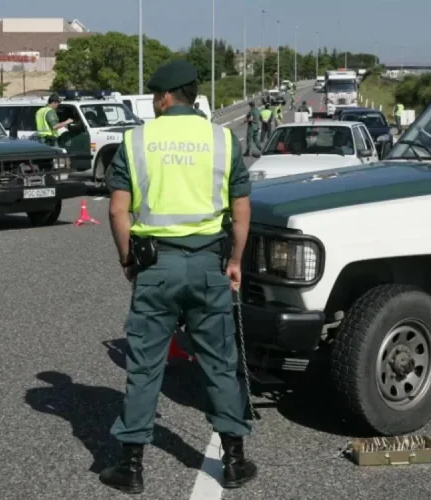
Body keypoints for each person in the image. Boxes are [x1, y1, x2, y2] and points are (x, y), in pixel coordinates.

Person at [101, 59, 257, 495]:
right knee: (219, 365)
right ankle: (234, 462)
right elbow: (242, 209)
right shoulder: (223, 140)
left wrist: (127, 260)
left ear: (165, 97)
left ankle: (130, 468)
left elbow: (117, 210)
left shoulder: (136, 141)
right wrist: (236, 261)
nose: (153, 103)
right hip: (209, 265)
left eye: (155, 96)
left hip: (156, 268)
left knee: (146, 367)